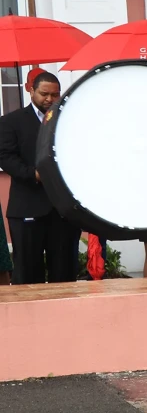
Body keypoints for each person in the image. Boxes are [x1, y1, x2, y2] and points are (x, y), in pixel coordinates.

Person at [0, 71, 81, 284]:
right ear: (31, 91)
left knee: (64, 276)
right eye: (44, 94)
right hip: (27, 209)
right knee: (28, 276)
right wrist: (35, 174)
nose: (49, 99)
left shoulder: (71, 120)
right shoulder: (11, 121)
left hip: (64, 211)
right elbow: (5, 157)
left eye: (55, 94)